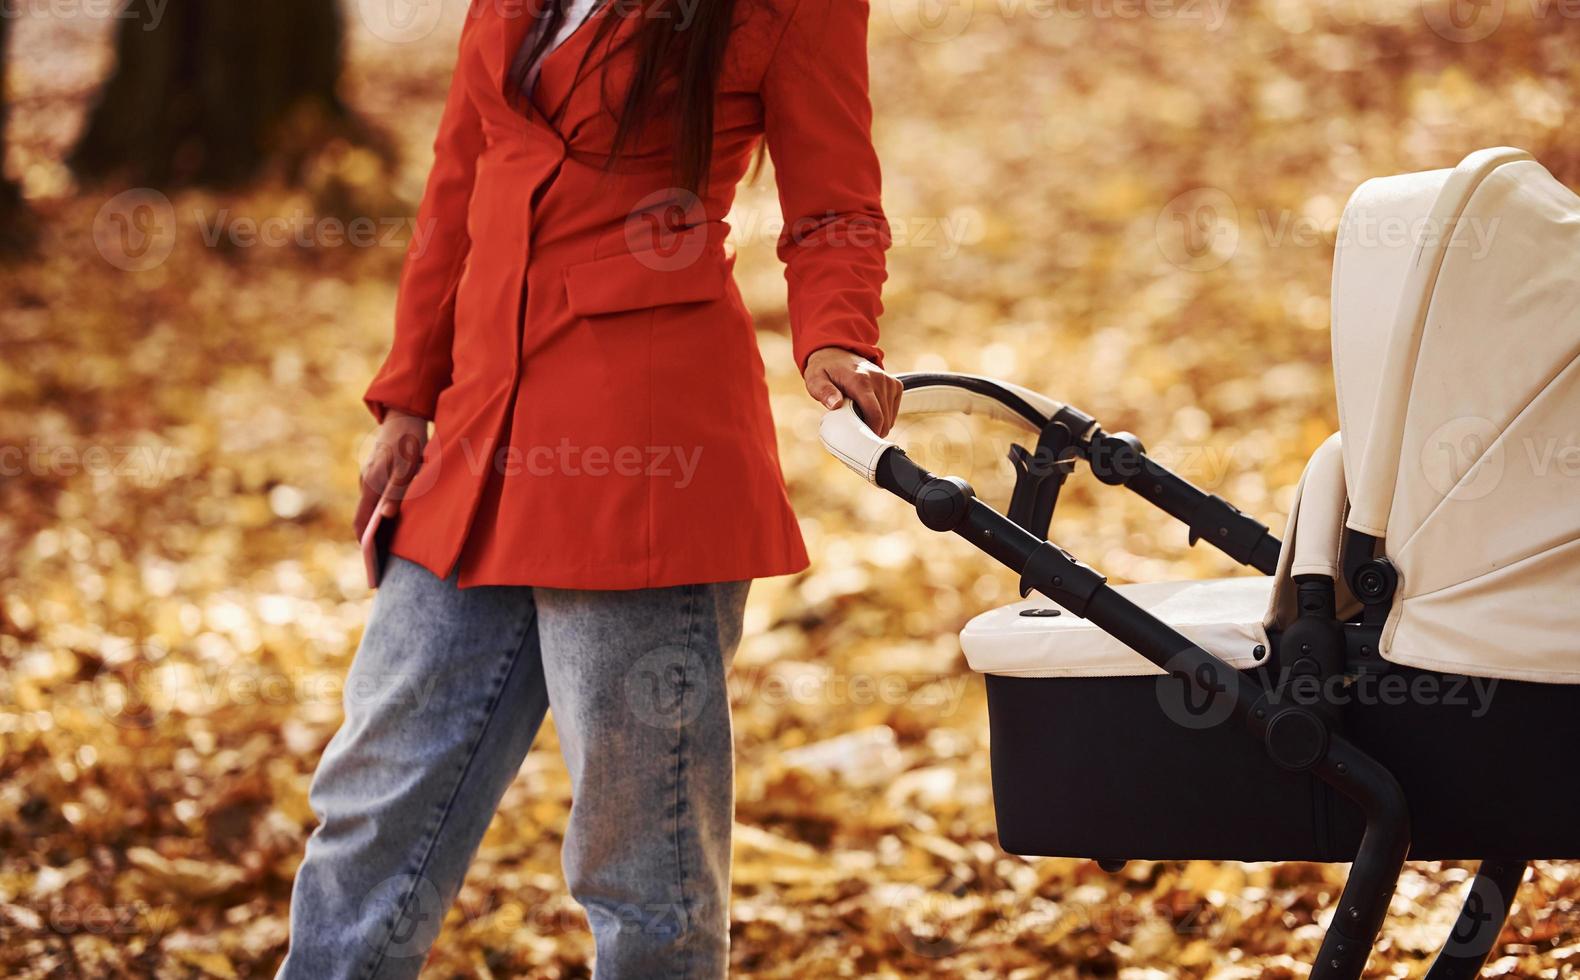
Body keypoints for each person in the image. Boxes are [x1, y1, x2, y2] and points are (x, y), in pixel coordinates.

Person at [278, 0, 901, 975]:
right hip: (481, 435)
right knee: (373, 794)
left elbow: (832, 206)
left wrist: (836, 335)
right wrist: (408, 392)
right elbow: (460, 177)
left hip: (643, 452)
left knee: (640, 855)